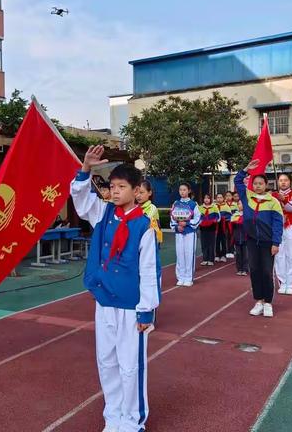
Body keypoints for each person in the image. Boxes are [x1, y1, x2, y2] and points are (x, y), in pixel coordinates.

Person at [70, 145, 160, 432]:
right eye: (112, 186)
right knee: (106, 361)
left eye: (122, 186)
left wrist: (147, 310)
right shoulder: (104, 214)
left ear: (137, 191)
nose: (116, 191)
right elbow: (81, 200)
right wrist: (85, 169)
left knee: (130, 366)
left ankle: (133, 420)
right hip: (104, 302)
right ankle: (113, 416)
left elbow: (148, 271)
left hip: (131, 306)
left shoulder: (145, 226)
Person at [234, 159, 283, 318]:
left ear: (266, 185)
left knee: (267, 271)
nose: (257, 186)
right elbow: (237, 181)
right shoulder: (247, 197)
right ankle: (259, 301)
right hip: (251, 241)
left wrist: (276, 242)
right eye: (255, 183)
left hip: (268, 243)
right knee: (254, 270)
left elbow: (277, 224)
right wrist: (246, 170)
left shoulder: (273, 201)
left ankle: (268, 302)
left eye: (261, 183)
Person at [272, 173, 292, 295]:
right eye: (281, 180)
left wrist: (282, 199)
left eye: (285, 180)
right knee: (279, 255)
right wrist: (276, 198)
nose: (283, 182)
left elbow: (291, 208)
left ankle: (290, 284)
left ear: (290, 181)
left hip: (291, 226)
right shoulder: (272, 195)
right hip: (277, 227)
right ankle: (283, 283)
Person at [170, 182, 201, 286]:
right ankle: (180, 277)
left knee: (189, 254)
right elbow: (172, 218)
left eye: (184, 190)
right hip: (179, 233)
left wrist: (186, 223)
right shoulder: (176, 203)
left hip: (190, 233)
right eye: (180, 190)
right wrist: (177, 226)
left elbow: (197, 218)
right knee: (180, 255)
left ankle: (188, 278)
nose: (182, 192)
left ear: (189, 191)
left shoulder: (193, 204)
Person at [137, 179, 163, 244]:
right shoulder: (134, 207)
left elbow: (144, 222)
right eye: (136, 192)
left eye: (141, 192)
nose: (138, 196)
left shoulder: (152, 208)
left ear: (149, 193)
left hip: (151, 241)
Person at [198, 194, 220, 266]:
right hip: (203, 228)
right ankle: (205, 259)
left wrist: (214, 221)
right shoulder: (200, 208)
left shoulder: (214, 207)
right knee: (204, 243)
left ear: (210, 199)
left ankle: (211, 259)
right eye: (205, 198)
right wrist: (200, 222)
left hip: (211, 228)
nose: (206, 199)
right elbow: (197, 217)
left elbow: (218, 217)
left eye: (208, 198)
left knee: (211, 244)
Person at [230, 200, 248, 276]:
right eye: (239, 204)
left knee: (245, 254)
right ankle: (239, 269)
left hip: (246, 238)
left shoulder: (248, 215)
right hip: (237, 237)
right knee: (238, 254)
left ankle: (245, 269)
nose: (240, 205)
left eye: (242, 204)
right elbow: (232, 227)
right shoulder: (235, 215)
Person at [214, 193, 231, 262]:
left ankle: (223, 255)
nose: (219, 199)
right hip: (216, 227)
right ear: (216, 199)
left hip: (224, 227)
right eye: (218, 197)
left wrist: (224, 218)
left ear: (223, 198)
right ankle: (217, 255)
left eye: (221, 197)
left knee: (223, 241)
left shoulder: (226, 207)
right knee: (217, 241)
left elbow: (230, 217)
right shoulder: (214, 206)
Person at [225, 191, 238, 259]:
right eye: (226, 196)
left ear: (232, 197)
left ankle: (232, 250)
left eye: (229, 195)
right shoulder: (224, 204)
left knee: (233, 236)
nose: (228, 197)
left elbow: (236, 214)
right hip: (225, 224)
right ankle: (228, 251)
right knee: (227, 237)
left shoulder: (235, 204)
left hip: (233, 223)